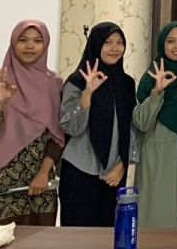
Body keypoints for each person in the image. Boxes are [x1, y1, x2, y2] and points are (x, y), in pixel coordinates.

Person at [0, 20, 65, 226]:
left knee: (40, 239)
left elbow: (59, 135)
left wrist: (43, 173)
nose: (30, 46)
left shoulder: (55, 84)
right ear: (13, 43)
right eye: (23, 40)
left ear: (45, 45)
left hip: (39, 185)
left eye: (37, 41)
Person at [58, 22, 137, 227]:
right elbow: (70, 127)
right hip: (79, 171)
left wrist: (123, 163)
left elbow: (131, 128)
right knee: (79, 236)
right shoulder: (77, 81)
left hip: (113, 174)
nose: (115, 48)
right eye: (108, 42)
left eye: (120, 42)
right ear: (96, 44)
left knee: (108, 235)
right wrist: (87, 93)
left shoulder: (127, 84)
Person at [132, 21, 177, 228]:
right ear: (162, 44)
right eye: (171, 41)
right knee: (158, 216)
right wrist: (157, 91)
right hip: (158, 152)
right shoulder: (152, 75)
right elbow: (141, 122)